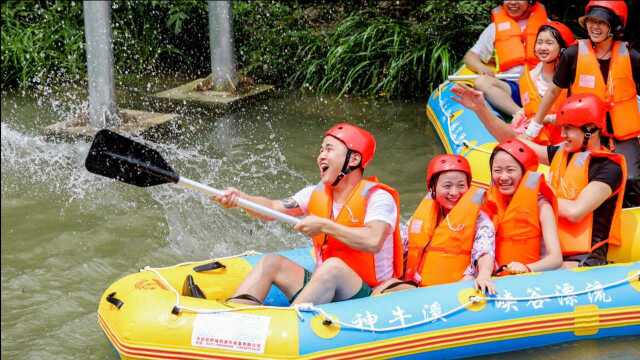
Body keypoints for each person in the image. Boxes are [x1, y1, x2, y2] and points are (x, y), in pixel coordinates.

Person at [214, 123, 403, 306]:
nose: (321, 156)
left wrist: (323, 225)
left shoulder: (378, 198)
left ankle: (287, 325)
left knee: (333, 267)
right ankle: (237, 314)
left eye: (329, 149)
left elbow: (372, 240)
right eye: (321, 150)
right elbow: (272, 208)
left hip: (367, 295)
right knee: (271, 262)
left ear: (353, 160)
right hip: (326, 284)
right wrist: (240, 199)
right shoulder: (314, 193)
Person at [526, 0, 639, 207]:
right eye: (591, 22)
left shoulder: (631, 57)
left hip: (623, 133)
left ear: (614, 27)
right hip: (583, 132)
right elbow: (553, 91)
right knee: (579, 179)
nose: (594, 27)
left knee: (631, 180)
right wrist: (536, 124)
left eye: (601, 23)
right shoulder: (573, 54)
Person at [519, 94, 627, 267]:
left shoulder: (609, 168)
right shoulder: (562, 154)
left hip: (584, 257)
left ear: (590, 129)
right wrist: (481, 109)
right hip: (552, 250)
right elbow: (517, 146)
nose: (562, 134)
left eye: (568, 128)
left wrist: (532, 197)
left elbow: (575, 211)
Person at [374, 154, 496, 295]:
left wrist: (484, 274)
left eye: (461, 186)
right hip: (418, 287)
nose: (454, 192)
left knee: (468, 279)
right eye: (447, 186)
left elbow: (485, 250)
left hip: (454, 288)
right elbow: (400, 243)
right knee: (384, 286)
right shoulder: (424, 215)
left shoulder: (479, 220)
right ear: (433, 187)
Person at [453, 21, 576, 145]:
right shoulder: (530, 77)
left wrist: (547, 119)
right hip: (534, 135)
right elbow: (530, 109)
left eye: (549, 43)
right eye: (539, 42)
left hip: (560, 139)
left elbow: (576, 117)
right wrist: (522, 114)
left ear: (563, 49)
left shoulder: (573, 80)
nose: (542, 47)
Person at [485, 139, 562, 275]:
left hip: (528, 278)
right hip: (494, 277)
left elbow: (555, 259)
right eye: (497, 170)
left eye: (510, 170)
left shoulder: (542, 206)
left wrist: (527, 268)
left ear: (524, 172)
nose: (503, 177)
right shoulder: (488, 202)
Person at [463, 0, 548, 116]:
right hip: (513, 88)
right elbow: (470, 56)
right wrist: (480, 67)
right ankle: (521, 115)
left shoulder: (548, 26)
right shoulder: (494, 28)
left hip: (543, 87)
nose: (513, 2)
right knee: (481, 82)